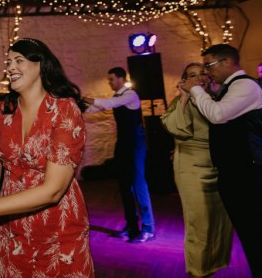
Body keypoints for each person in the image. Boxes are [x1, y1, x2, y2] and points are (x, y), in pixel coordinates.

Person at [0, 38, 94, 277]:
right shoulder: (1, 114)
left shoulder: (64, 110)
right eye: (9, 62)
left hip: (58, 229)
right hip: (13, 228)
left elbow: (53, 191)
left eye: (19, 61)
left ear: (40, 66)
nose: (11, 67)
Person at [181, 44, 262, 277]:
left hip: (248, 174)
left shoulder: (245, 85)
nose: (207, 72)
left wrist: (197, 91)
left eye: (209, 65)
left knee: (255, 235)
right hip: (237, 172)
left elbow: (217, 115)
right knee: (249, 235)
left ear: (227, 61)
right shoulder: (229, 88)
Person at [160, 63, 232, 277]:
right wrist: (183, 97)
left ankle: (213, 267)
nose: (199, 78)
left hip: (219, 165)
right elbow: (176, 128)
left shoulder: (216, 100)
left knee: (219, 222)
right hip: (192, 168)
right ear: (184, 81)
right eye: (192, 75)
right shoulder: (181, 101)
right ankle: (198, 271)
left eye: (202, 73)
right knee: (199, 223)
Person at [84, 67, 155, 243]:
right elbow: (92, 110)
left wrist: (84, 98)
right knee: (124, 186)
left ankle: (148, 228)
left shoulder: (131, 95)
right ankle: (131, 226)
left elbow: (107, 105)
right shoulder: (116, 97)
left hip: (136, 144)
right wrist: (74, 105)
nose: (109, 82)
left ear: (121, 79)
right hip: (123, 144)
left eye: (111, 79)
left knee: (139, 185)